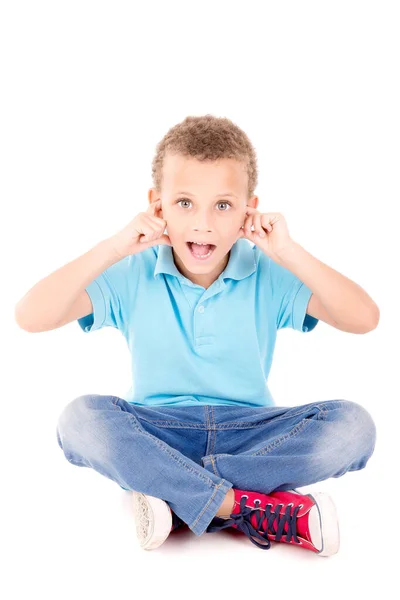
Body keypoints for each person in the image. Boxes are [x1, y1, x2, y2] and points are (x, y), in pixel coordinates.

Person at [15, 114, 379, 556]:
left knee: (353, 426)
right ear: (157, 205)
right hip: (158, 429)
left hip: (252, 431)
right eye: (184, 202)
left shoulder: (270, 272)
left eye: (223, 205)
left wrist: (288, 251)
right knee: (79, 419)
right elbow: (30, 316)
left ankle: (175, 491)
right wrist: (113, 246)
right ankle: (245, 505)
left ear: (249, 208)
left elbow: (364, 318)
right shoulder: (132, 272)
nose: (202, 223)